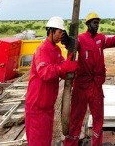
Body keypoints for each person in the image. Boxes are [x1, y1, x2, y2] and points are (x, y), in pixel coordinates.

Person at [64, 12, 115, 146]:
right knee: (76, 118)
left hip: (96, 85)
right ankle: (70, 144)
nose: (96, 25)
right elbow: (72, 46)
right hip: (81, 85)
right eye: (94, 23)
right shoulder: (80, 39)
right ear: (87, 24)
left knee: (98, 119)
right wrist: (68, 41)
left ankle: (96, 144)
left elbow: (113, 41)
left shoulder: (101, 39)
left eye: (98, 23)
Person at [25, 16, 78, 146]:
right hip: (36, 107)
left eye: (62, 32)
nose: (61, 35)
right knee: (38, 142)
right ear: (51, 31)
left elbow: (61, 69)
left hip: (48, 106)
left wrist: (70, 66)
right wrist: (63, 67)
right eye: (59, 32)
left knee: (46, 141)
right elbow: (45, 73)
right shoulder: (42, 50)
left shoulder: (56, 50)